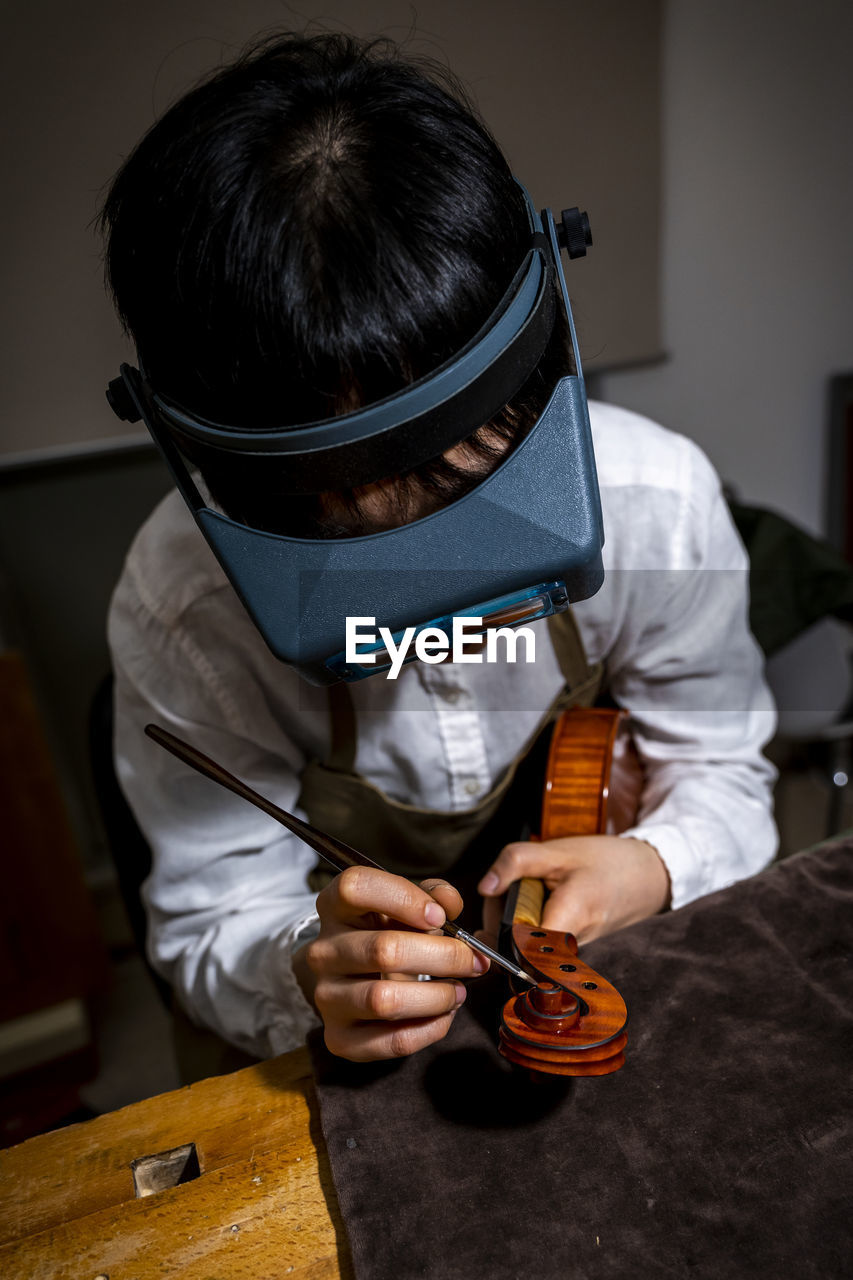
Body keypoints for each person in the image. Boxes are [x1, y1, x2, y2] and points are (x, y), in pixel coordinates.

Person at [102, 32, 777, 1066]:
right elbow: (207, 921)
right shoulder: (184, 603)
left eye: (466, 504)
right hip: (334, 1054)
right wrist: (298, 968)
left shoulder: (654, 503)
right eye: (345, 532)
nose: (435, 609)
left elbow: (722, 768)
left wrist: (656, 859)